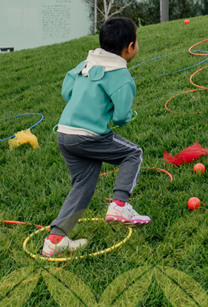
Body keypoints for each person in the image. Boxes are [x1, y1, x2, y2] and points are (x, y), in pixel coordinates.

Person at [42, 17, 149, 258]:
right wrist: (126, 116)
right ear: (130, 47)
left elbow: (67, 91)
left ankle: (55, 240)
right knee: (133, 153)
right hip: (88, 135)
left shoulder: (85, 63)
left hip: (65, 133)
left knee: (83, 186)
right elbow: (121, 116)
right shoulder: (121, 75)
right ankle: (120, 205)